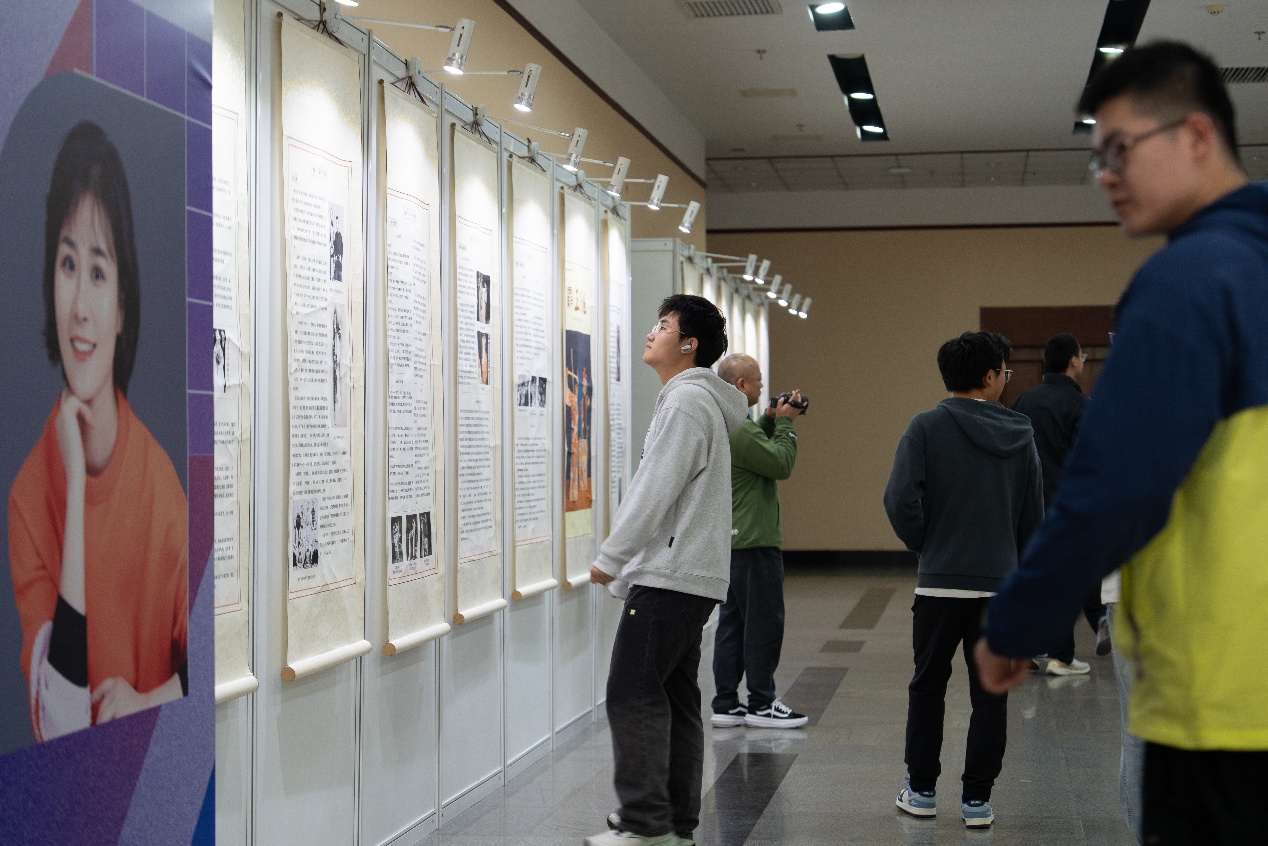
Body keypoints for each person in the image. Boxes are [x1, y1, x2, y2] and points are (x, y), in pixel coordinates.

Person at [973, 41, 1268, 845]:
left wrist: (1021, 621)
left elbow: (1119, 482)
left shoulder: (1189, 281)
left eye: (1119, 150)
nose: (1105, 175)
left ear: (1197, 136)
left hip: (1226, 693)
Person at [7, 121, 188, 742]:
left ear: (121, 310)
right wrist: (77, 491)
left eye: (99, 272)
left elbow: (207, 657)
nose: (80, 306)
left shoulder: (162, 488)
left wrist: (148, 700)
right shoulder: (28, 498)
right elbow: (59, 722)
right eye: (67, 264)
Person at [587, 294, 748, 846]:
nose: (651, 333)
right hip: (690, 575)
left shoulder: (686, 403)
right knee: (675, 700)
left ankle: (644, 823)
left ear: (689, 344)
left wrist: (612, 556)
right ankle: (675, 824)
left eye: (663, 325)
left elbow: (655, 488)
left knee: (630, 692)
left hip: (670, 575)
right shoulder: (694, 401)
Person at [883, 331, 1043, 830]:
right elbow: (1034, 517)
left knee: (928, 685)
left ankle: (921, 790)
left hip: (939, 585)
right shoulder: (1021, 435)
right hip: (1000, 588)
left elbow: (900, 500)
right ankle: (977, 800)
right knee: (990, 694)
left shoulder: (926, 427)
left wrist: (926, 543)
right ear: (990, 376)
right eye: (1004, 372)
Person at [710, 354, 806, 729]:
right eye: (758, 380)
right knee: (764, 625)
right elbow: (780, 463)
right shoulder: (740, 428)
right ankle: (762, 702)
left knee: (733, 625)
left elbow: (752, 451)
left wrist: (768, 418)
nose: (763, 386)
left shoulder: (728, 422)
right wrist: (786, 424)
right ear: (740, 385)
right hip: (755, 543)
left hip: (734, 543)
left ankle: (725, 702)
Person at [1010, 333, 1105, 675]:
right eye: (1081, 356)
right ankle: (1062, 655)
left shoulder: (1024, 400)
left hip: (1026, 505)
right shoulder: (1080, 405)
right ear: (1074, 361)